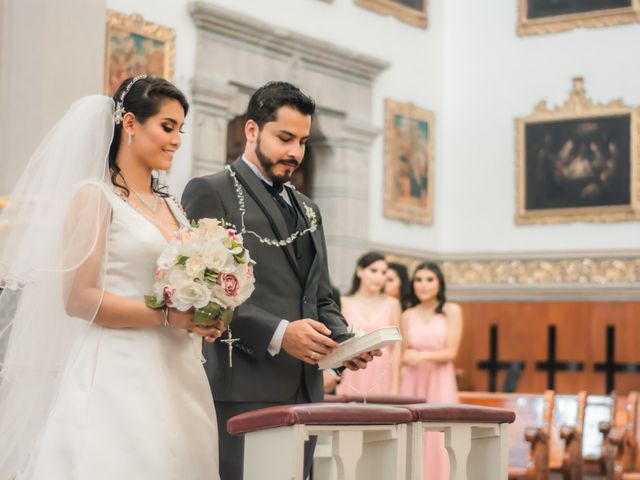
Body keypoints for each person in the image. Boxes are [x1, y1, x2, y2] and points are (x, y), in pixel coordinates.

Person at [0, 76, 225, 480]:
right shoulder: (94, 197)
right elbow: (80, 299)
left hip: (178, 367)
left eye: (180, 130)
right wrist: (168, 317)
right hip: (118, 370)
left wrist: (206, 306)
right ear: (131, 123)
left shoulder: (171, 205)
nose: (176, 140)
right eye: (167, 127)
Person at [181, 81, 379, 480]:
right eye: (284, 138)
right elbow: (204, 292)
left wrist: (343, 342)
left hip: (306, 388)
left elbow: (320, 296)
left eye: (303, 141)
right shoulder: (210, 191)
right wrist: (280, 333)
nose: (295, 152)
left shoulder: (308, 209)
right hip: (241, 385)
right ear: (252, 130)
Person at [400, 261, 463, 480]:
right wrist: (407, 357)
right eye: (418, 280)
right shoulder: (407, 314)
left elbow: (451, 352)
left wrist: (421, 355)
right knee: (413, 432)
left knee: (438, 434)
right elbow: (402, 351)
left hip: (440, 378)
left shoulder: (451, 311)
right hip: (413, 379)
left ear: (439, 283)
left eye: (429, 280)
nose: (423, 285)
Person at [336, 252, 401, 396]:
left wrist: (395, 386)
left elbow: (397, 347)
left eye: (383, 272)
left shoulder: (392, 304)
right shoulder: (343, 302)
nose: (379, 276)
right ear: (360, 271)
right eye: (373, 270)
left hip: (383, 371)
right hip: (352, 369)